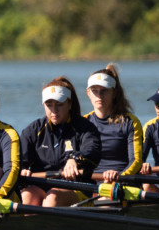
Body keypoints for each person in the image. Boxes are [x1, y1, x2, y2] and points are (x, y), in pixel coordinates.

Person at [19, 77, 101, 207]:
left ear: (69, 104)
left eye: (59, 104)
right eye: (49, 105)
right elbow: (18, 156)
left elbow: (93, 150)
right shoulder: (34, 130)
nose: (54, 110)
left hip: (77, 189)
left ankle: (46, 226)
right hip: (42, 187)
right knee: (27, 196)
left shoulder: (85, 128)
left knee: (52, 198)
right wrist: (22, 168)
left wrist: (75, 158)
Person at [84, 64, 144, 183]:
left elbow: (136, 161)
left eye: (104, 91)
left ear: (114, 93)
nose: (99, 96)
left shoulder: (130, 122)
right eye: (94, 91)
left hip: (121, 183)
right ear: (88, 93)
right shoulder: (83, 122)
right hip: (89, 185)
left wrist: (119, 176)